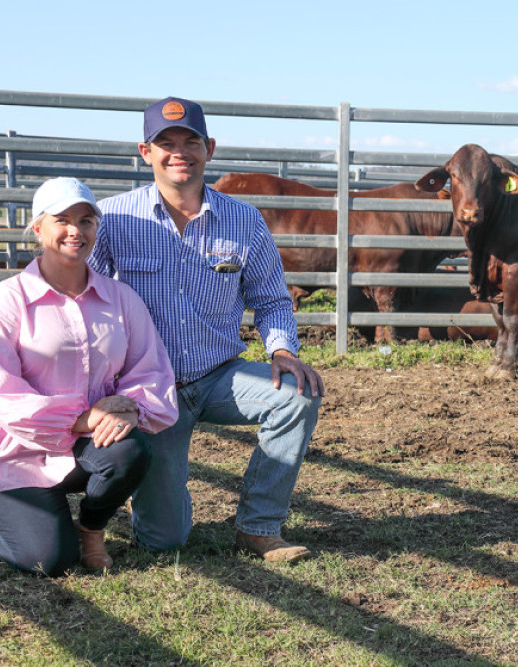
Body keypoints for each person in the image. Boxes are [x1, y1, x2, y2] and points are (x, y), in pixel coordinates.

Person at [88, 96, 325, 563]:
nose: (179, 152)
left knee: (298, 394)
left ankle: (259, 527)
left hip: (218, 376)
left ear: (209, 148)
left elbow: (272, 299)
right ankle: (154, 511)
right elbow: (85, 301)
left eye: (190, 142)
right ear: (145, 152)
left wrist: (281, 352)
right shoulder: (113, 219)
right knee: (165, 540)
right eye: (166, 143)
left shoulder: (243, 221)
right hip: (147, 388)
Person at [0, 177, 178, 576]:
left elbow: (150, 369)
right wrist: (81, 418)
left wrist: (129, 406)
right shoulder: (8, 302)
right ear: (38, 228)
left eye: (86, 220)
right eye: (62, 220)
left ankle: (91, 528)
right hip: (17, 452)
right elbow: (4, 397)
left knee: (129, 450)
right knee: (46, 561)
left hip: (83, 446)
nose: (75, 231)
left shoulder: (120, 299)